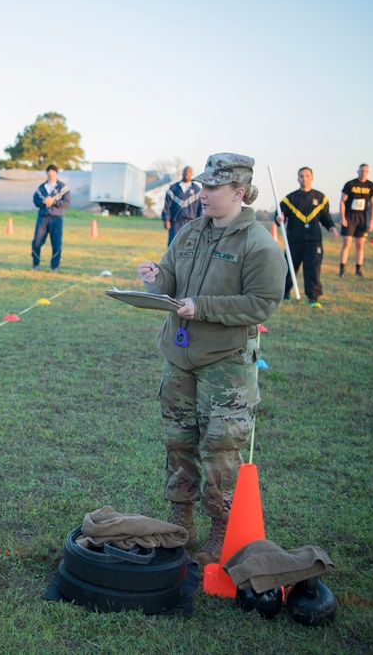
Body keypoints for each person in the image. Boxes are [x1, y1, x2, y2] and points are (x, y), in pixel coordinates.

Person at [136, 153, 286, 565]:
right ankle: (180, 523)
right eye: (203, 186)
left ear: (239, 193)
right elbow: (170, 278)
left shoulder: (259, 245)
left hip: (226, 365)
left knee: (220, 449)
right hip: (179, 357)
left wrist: (200, 307)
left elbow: (261, 304)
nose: (203, 194)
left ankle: (221, 529)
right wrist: (155, 279)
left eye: (213, 188)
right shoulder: (189, 232)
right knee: (178, 442)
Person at [275, 167, 340, 308]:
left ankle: (313, 298)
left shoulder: (321, 198)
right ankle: (285, 293)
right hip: (294, 240)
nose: (304, 178)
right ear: (298, 179)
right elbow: (279, 214)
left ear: (312, 178)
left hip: (313, 240)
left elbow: (325, 216)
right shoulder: (290, 199)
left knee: (313, 269)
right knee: (289, 268)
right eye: (301, 176)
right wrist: (279, 218)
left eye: (307, 176)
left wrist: (332, 227)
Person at [338, 163, 373, 277]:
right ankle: (342, 269)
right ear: (358, 171)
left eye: (366, 171)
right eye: (361, 171)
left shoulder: (371, 186)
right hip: (350, 216)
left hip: (362, 217)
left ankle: (358, 270)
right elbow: (342, 201)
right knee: (347, 242)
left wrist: (372, 221)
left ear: (368, 172)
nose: (363, 173)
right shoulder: (350, 184)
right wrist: (343, 217)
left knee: (360, 244)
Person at [31, 164, 70, 272]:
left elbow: (66, 202)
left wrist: (55, 202)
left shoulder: (62, 188)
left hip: (56, 218)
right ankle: (36, 264)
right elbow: (35, 200)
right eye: (48, 171)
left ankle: (54, 266)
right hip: (43, 218)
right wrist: (43, 202)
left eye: (53, 171)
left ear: (56, 173)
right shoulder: (41, 188)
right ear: (46, 173)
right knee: (36, 242)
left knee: (56, 242)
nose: (50, 173)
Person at [162, 166, 203, 246]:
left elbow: (201, 208)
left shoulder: (197, 190)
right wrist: (166, 219)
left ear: (191, 174)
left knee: (190, 246)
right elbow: (167, 205)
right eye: (185, 172)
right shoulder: (173, 188)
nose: (186, 174)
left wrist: (200, 222)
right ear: (182, 173)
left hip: (191, 222)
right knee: (173, 244)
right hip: (176, 222)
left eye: (188, 172)